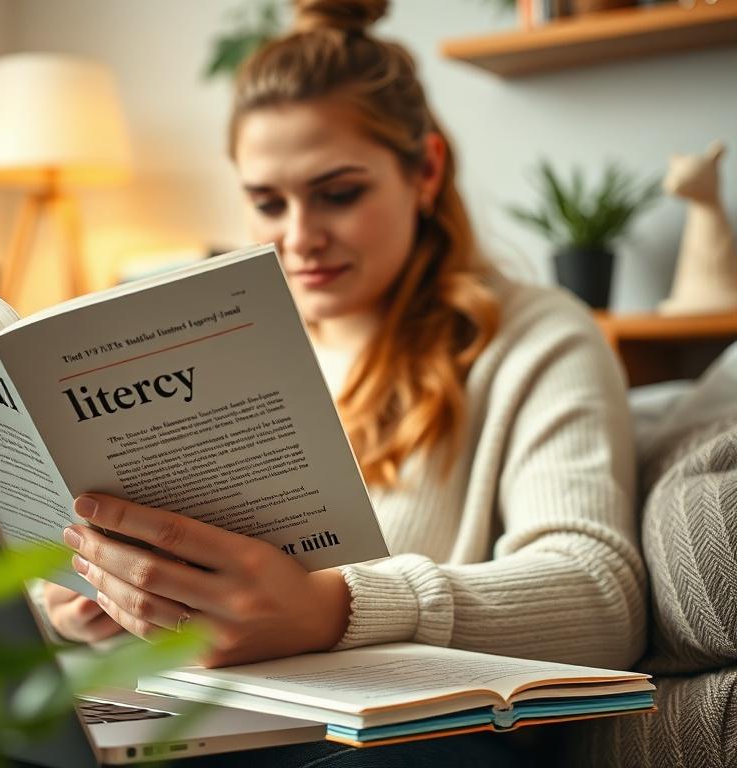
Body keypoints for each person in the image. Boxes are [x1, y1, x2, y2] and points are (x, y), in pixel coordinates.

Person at [41, 0, 646, 760]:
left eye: (338, 193)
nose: (299, 237)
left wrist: (338, 608)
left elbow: (598, 593)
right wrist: (90, 598)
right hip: (197, 712)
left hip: (387, 741)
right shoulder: (216, 350)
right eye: (267, 202)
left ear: (425, 170)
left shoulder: (535, 337)